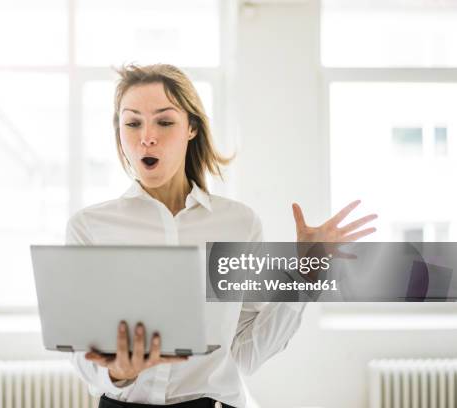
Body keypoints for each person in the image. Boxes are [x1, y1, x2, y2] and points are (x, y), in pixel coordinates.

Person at [65, 64, 377, 408]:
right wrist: (118, 371)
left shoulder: (238, 225)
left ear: (191, 128)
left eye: (165, 122)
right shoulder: (90, 227)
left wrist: (304, 275)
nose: (147, 137)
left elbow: (244, 355)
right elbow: (81, 352)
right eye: (133, 122)